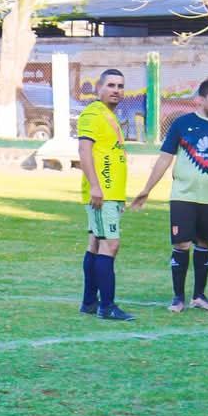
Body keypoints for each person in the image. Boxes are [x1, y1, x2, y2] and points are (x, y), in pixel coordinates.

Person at [130, 78, 208, 313]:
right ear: (200, 100)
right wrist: (147, 189)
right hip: (183, 196)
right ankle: (178, 297)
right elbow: (165, 158)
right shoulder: (182, 124)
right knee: (182, 244)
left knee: (204, 244)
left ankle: (199, 296)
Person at [78, 69, 133, 321]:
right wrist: (96, 186)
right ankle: (106, 306)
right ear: (99, 87)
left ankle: (90, 302)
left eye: (120, 86)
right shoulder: (92, 113)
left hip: (111, 192)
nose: (116, 90)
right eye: (111, 85)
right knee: (110, 244)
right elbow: (84, 150)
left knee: (95, 243)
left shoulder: (107, 114)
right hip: (104, 192)